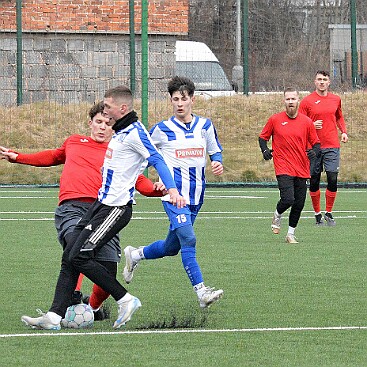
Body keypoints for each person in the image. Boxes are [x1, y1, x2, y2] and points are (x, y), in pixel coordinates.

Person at [20, 86, 185, 330]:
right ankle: (54, 317)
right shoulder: (119, 132)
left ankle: (125, 299)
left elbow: (157, 159)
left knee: (79, 255)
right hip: (100, 205)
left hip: (115, 208)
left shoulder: (135, 133)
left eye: (107, 107)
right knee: (71, 256)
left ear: (122, 108)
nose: (104, 111)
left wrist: (171, 189)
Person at [122, 76, 224, 308]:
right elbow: (143, 157)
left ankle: (135, 255)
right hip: (174, 197)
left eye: (183, 99)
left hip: (196, 195)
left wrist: (217, 162)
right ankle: (201, 292)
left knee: (172, 247)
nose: (179, 103)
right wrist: (151, 180)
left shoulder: (205, 126)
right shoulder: (161, 130)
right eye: (175, 99)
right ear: (170, 101)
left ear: (192, 100)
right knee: (189, 238)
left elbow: (215, 151)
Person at [259, 87, 320, 244]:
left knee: (299, 203)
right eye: (288, 99)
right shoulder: (275, 119)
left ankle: (290, 234)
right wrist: (265, 150)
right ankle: (277, 214)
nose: (291, 102)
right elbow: (262, 137)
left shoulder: (307, 122)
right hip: (283, 166)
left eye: (293, 99)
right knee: (288, 199)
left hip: (301, 167)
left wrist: (314, 151)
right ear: (284, 101)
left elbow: (316, 143)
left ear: (298, 100)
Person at [299, 70, 348, 226]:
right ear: (315, 82)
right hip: (313, 147)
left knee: (333, 178)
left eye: (324, 79)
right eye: (319, 79)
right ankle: (317, 214)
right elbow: (299, 123)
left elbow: (339, 116)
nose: (321, 82)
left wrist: (344, 132)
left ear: (329, 82)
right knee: (314, 181)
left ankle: (329, 212)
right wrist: (311, 125)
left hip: (332, 145)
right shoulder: (307, 101)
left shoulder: (336, 99)